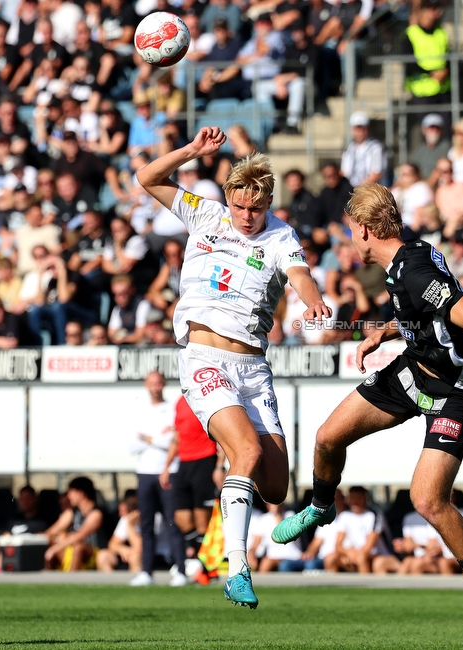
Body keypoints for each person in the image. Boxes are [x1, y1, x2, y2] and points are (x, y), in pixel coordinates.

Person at [271, 183, 463, 646]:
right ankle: (322, 507)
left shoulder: (415, 268)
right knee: (328, 437)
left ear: (365, 230)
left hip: (457, 391)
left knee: (427, 499)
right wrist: (384, 331)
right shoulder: (404, 260)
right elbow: (426, 317)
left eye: (351, 231)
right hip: (414, 371)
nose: (349, 239)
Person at [137, 126, 331, 608]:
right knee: (244, 453)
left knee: (274, 484)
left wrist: (313, 300)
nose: (248, 217)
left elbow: (300, 275)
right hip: (204, 358)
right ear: (229, 198)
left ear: (268, 204)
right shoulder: (206, 214)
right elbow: (146, 177)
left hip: (253, 367)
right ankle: (238, 568)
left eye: (257, 208)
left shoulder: (282, 234)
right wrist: (191, 152)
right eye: (241, 207)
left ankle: (258, 486)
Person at [128, 371, 188, 587]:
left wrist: (148, 437)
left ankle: (181, 570)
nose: (155, 387)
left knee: (174, 522)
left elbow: (174, 440)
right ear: (146, 385)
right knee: (146, 525)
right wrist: (157, 438)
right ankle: (147, 571)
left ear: (163, 385)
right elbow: (132, 444)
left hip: (168, 471)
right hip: (145, 472)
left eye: (158, 383)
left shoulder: (171, 408)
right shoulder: (139, 410)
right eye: (151, 383)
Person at [160, 395, 226, 584]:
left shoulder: (208, 399)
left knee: (202, 522)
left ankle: (206, 569)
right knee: (180, 518)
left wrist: (219, 466)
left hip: (205, 462)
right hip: (184, 464)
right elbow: (178, 436)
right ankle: (202, 563)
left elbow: (221, 434)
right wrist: (166, 465)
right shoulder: (180, 402)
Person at [43, 476, 104, 571]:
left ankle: (71, 579)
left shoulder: (96, 513)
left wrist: (54, 549)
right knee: (50, 542)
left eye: (71, 492)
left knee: (78, 547)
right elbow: (52, 531)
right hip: (71, 550)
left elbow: (80, 535)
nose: (68, 496)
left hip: (94, 553)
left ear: (81, 494)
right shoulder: (72, 512)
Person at [400, 0, 450, 109]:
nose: (436, 12)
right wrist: (431, 73)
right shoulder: (411, 34)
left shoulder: (440, 32)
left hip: (442, 88)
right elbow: (409, 62)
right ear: (422, 12)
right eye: (431, 9)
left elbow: (448, 57)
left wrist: (446, 70)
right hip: (421, 90)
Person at [341, 112, 386, 187]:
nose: (359, 132)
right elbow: (344, 172)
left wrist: (359, 189)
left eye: (362, 129)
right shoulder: (350, 148)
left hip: (370, 190)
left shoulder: (375, 148)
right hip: (352, 190)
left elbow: (376, 174)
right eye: (356, 129)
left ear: (367, 129)